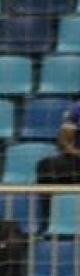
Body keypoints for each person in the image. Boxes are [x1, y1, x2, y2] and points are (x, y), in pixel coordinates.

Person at [35, 99, 80, 232]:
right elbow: (63, 141)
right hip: (76, 160)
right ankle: (48, 221)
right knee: (46, 166)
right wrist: (75, 151)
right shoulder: (78, 109)